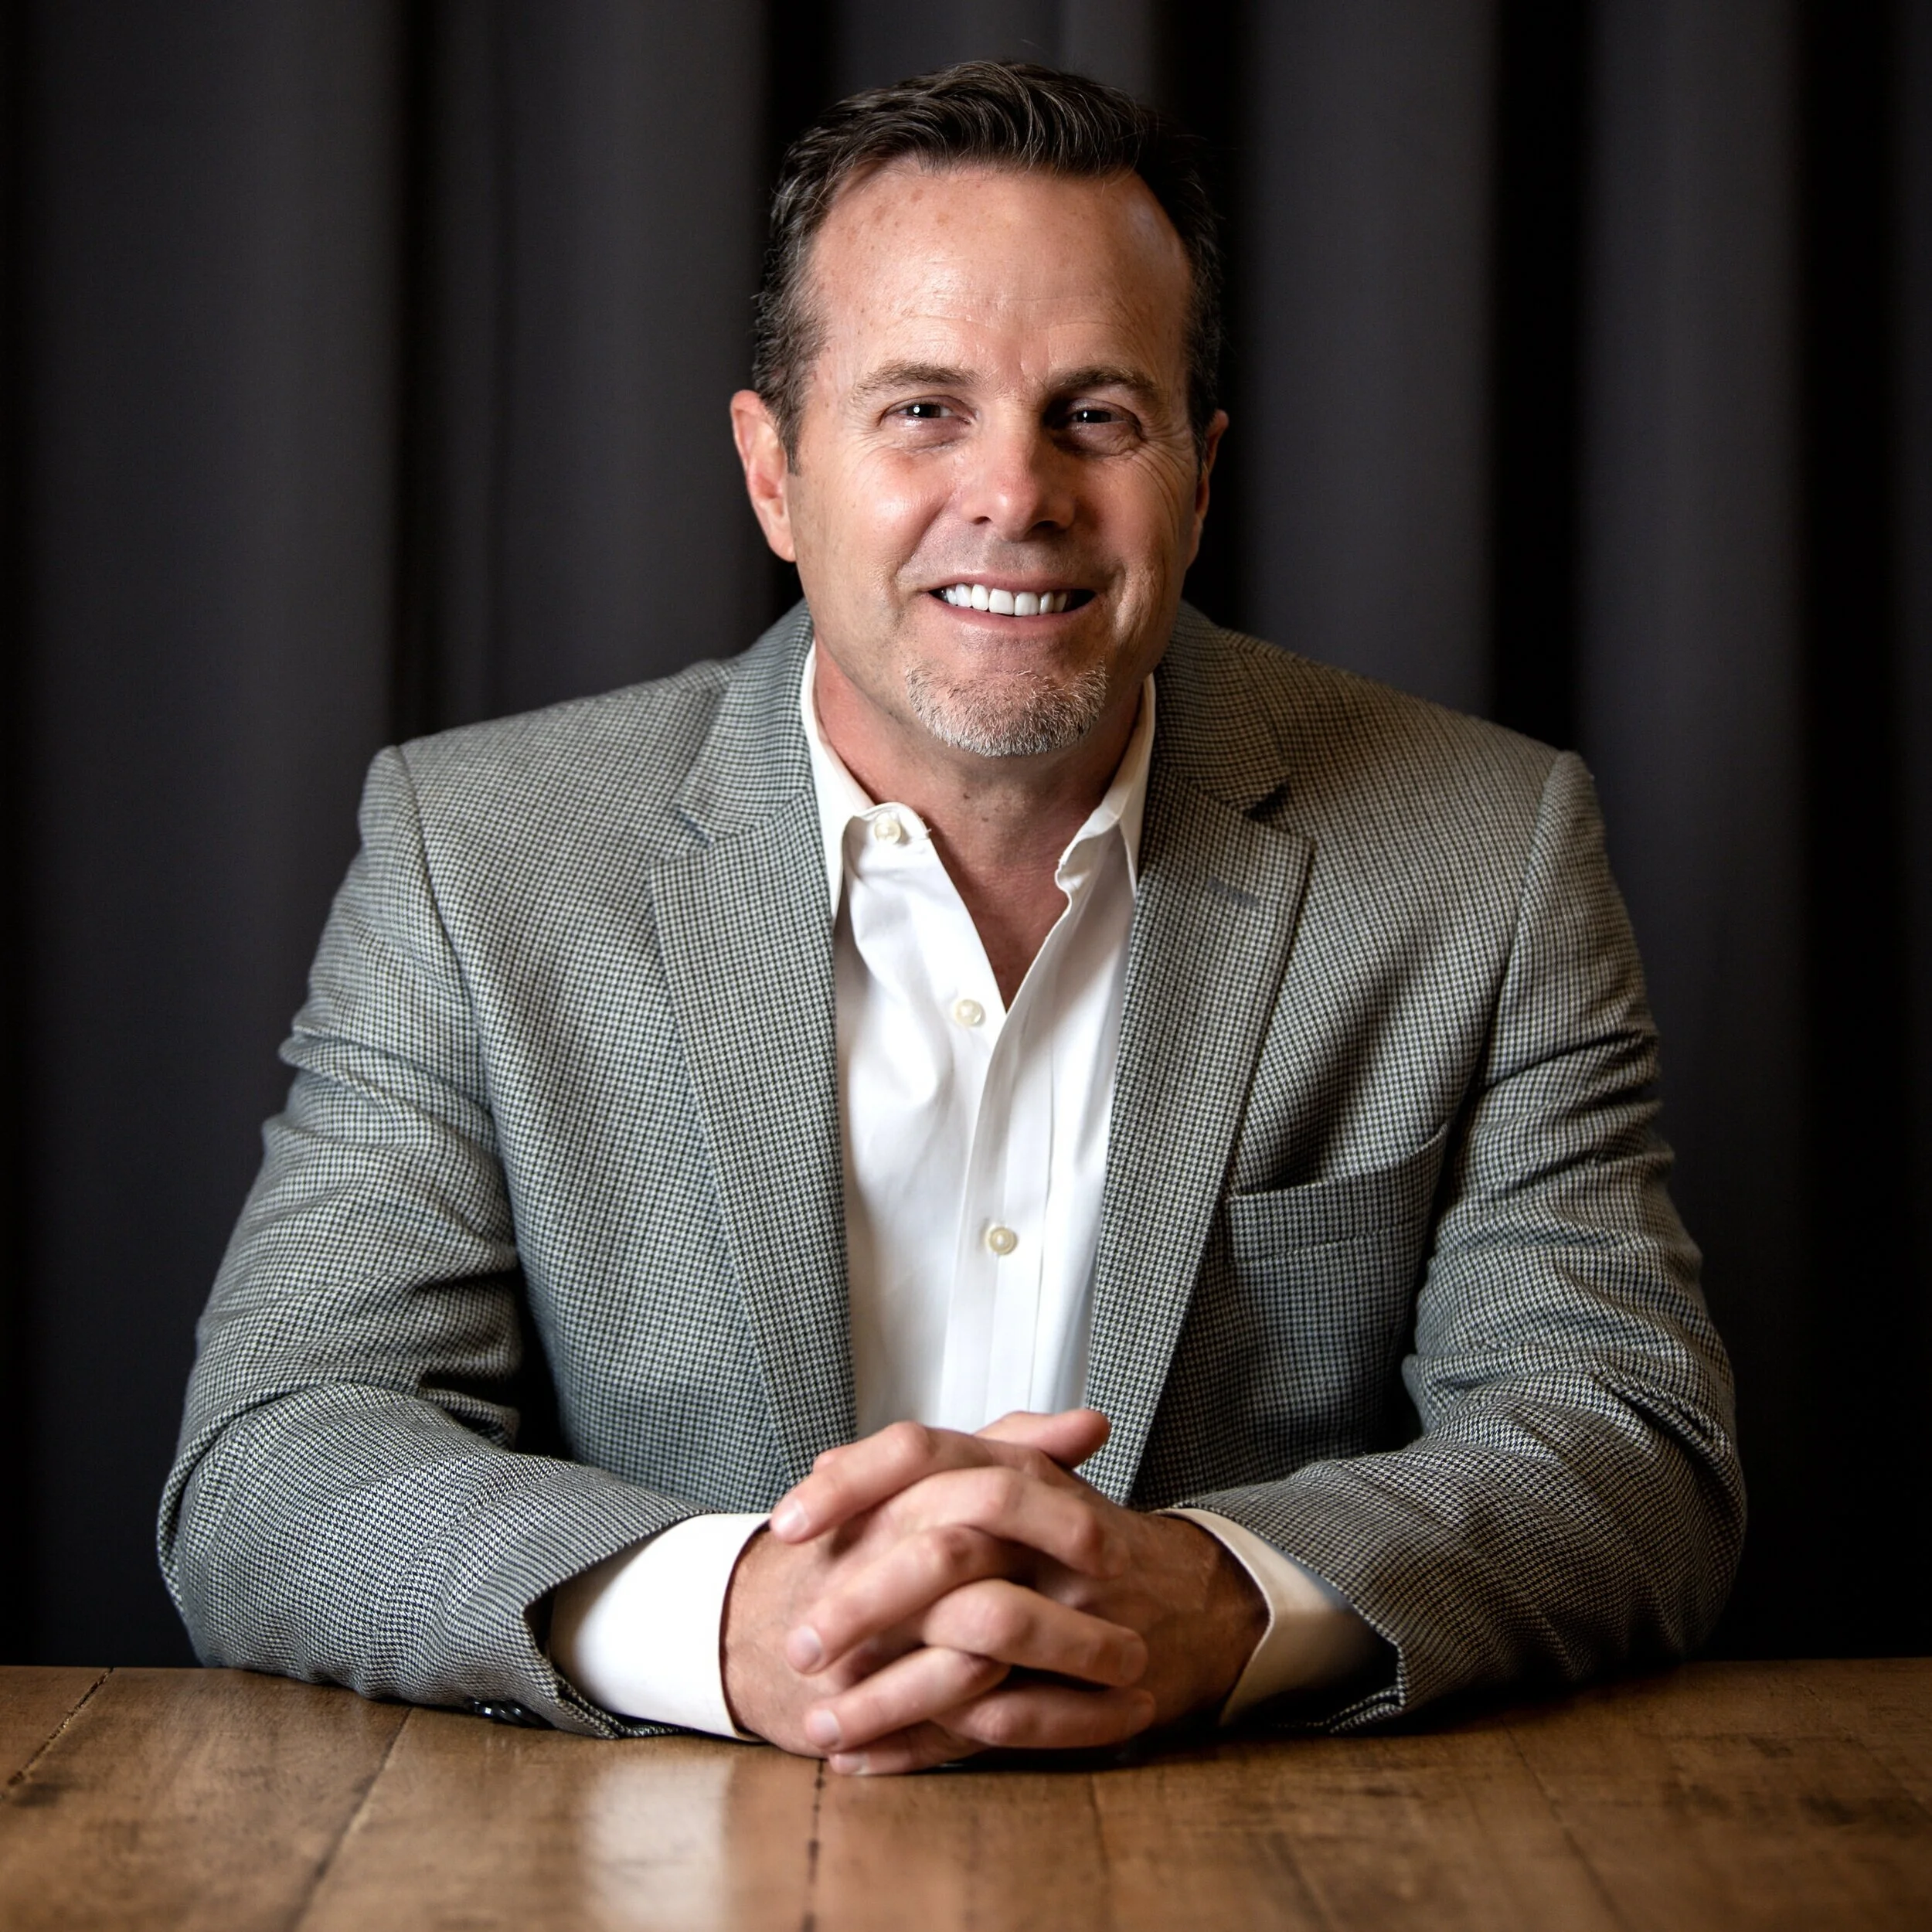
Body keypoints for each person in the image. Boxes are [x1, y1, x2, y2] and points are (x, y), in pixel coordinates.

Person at [160, 63, 1743, 1774]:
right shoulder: (477, 856)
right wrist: (734, 1618)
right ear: (773, 472)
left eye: (1097, 414)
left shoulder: (1480, 851)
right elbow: (275, 1449)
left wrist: (1221, 1598)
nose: (1016, 494)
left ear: (1196, 481)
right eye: (922, 408)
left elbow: (1627, 1438)